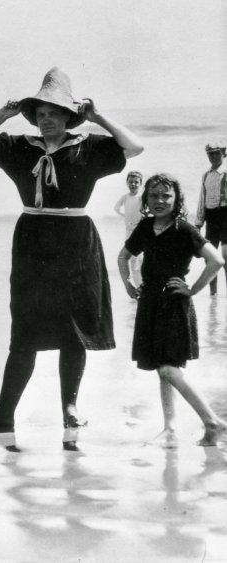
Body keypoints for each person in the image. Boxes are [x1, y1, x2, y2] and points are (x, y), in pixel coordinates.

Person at [0, 67, 143, 443]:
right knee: (24, 329)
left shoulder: (87, 147)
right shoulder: (20, 147)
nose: (46, 120)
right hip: (32, 242)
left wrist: (98, 117)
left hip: (76, 241)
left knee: (74, 328)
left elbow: (134, 148)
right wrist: (3, 114)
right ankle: (3, 413)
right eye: (40, 114)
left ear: (68, 116)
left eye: (54, 113)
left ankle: (70, 409)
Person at [118, 173, 227, 447]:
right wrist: (128, 285)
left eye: (166, 196)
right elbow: (124, 256)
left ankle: (212, 422)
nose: (160, 200)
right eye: (154, 195)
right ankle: (170, 429)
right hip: (150, 303)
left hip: (174, 304)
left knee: (168, 369)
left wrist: (193, 289)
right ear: (145, 199)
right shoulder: (146, 226)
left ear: (177, 199)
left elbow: (216, 260)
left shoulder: (184, 229)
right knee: (161, 368)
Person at [194, 141, 227, 295]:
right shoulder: (206, 175)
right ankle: (213, 295)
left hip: (226, 216)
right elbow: (202, 199)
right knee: (210, 259)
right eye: (210, 154)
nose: (213, 156)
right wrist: (198, 223)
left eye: (216, 153)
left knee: (226, 256)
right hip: (211, 218)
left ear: (224, 153)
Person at [114, 171, 144, 287]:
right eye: (131, 182)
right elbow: (116, 208)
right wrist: (125, 216)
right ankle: (137, 286)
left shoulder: (142, 197)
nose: (133, 184)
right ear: (127, 182)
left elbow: (147, 211)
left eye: (136, 182)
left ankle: (143, 284)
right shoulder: (125, 197)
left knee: (141, 257)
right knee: (132, 257)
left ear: (140, 184)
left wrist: (143, 218)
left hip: (140, 230)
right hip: (129, 231)